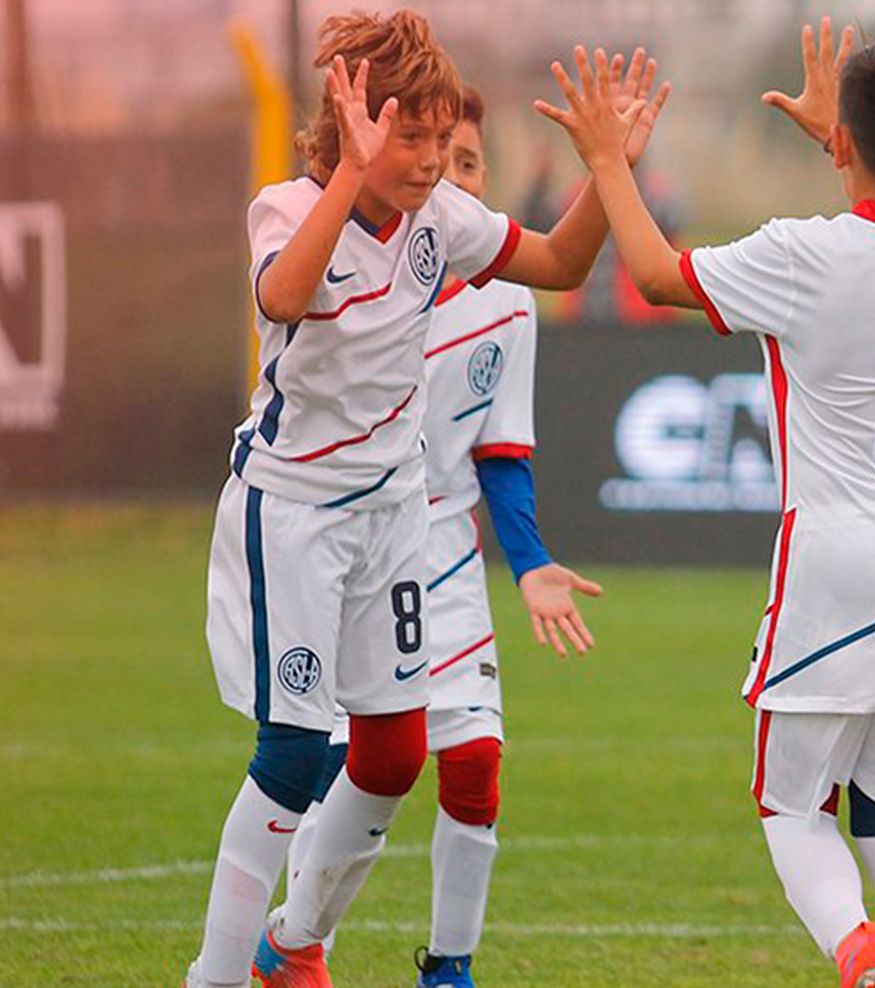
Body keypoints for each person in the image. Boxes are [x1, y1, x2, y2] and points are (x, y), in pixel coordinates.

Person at [183, 11, 666, 988]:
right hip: (295, 517)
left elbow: (563, 265)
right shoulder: (287, 207)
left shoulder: (439, 215)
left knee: (398, 749)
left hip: (393, 514)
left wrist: (607, 169)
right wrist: (354, 180)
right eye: (411, 137)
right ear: (351, 119)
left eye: (440, 143)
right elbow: (282, 295)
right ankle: (218, 974)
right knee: (288, 754)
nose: (430, 161)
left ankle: (293, 948)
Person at [537, 20, 875, 988]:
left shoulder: (800, 257)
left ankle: (856, 949)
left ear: (847, 145)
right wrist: (846, 139)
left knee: (792, 809)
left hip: (836, 570)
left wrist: (609, 158)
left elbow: (655, 274)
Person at [283, 78, 613, 988]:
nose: (451, 176)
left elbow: (500, 451)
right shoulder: (366, 264)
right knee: (338, 764)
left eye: (468, 162)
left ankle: (450, 968)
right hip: (347, 533)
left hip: (444, 549)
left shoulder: (507, 303)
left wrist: (533, 560)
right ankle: (299, 940)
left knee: (471, 761)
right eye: (438, 158)